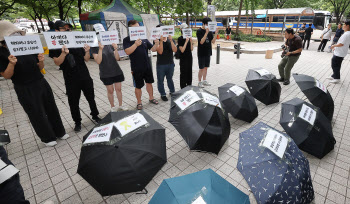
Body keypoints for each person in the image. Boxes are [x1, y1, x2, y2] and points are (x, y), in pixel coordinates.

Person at [0, 21, 68, 147]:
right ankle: (47, 137)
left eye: (17, 32)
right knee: (36, 112)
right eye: (12, 33)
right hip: (24, 87)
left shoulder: (27, 44)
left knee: (51, 107)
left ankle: (60, 131)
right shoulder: (2, 53)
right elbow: (6, 75)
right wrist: (11, 63)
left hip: (40, 81)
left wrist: (41, 61)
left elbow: (40, 66)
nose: (16, 35)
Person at [49, 20, 101, 132]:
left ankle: (95, 115)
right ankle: (77, 122)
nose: (67, 30)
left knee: (91, 97)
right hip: (70, 78)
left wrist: (87, 51)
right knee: (73, 102)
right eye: (64, 28)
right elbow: (57, 62)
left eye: (69, 28)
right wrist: (63, 53)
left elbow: (86, 59)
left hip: (85, 75)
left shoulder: (77, 40)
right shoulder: (54, 44)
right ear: (57, 30)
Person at [123, 20, 159, 110]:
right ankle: (139, 102)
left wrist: (157, 44)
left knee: (149, 83)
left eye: (139, 27)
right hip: (136, 67)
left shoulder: (144, 38)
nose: (138, 29)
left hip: (147, 66)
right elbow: (127, 51)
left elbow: (153, 49)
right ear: (130, 28)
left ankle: (151, 97)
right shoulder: (127, 39)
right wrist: (135, 44)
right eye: (135, 28)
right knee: (138, 86)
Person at [92, 41, 127, 111]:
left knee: (118, 89)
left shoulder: (110, 44)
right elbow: (98, 61)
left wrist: (116, 48)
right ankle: (113, 106)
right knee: (110, 90)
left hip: (116, 71)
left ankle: (121, 105)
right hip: (106, 73)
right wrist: (100, 49)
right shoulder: (94, 47)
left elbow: (117, 58)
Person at [155, 24, 177, 101]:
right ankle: (163, 94)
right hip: (161, 64)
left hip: (170, 63)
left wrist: (170, 40)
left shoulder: (170, 39)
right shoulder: (156, 40)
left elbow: (175, 50)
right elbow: (160, 52)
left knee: (170, 79)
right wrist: (161, 41)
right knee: (160, 80)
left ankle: (172, 91)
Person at [196, 17, 219, 88]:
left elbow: (213, 42)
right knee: (201, 68)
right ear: (203, 24)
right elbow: (201, 42)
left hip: (208, 52)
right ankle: (199, 82)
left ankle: (204, 80)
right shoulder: (199, 31)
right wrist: (206, 33)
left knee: (206, 67)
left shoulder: (210, 32)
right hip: (201, 52)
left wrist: (216, 34)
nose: (207, 25)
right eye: (206, 24)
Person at [178, 23, 193, 89]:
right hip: (183, 58)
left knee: (189, 72)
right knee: (183, 73)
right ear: (181, 29)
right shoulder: (180, 39)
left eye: (187, 28)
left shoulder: (189, 38)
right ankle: (183, 88)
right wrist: (186, 42)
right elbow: (182, 50)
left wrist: (191, 41)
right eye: (185, 28)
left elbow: (191, 49)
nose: (186, 30)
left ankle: (189, 86)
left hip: (189, 57)